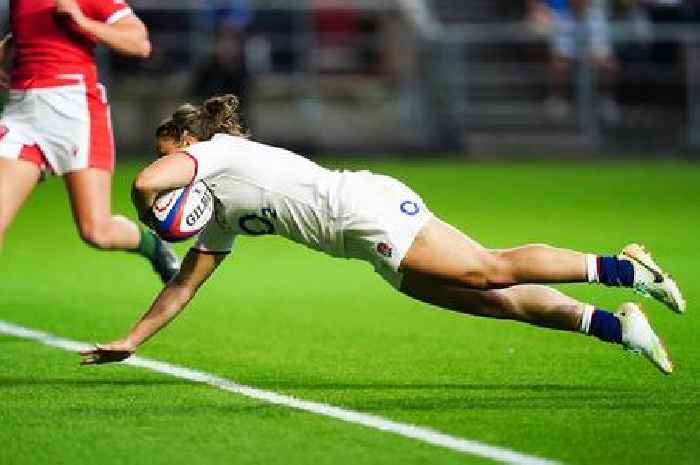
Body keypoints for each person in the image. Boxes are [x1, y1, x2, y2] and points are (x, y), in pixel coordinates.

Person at [80, 94, 686, 374]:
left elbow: (142, 186)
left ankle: (626, 267)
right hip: (362, 241)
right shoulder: (218, 209)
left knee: (488, 268)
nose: (170, 182)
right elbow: (184, 286)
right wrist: (132, 338)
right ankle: (619, 326)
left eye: (169, 159)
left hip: (366, 211)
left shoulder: (212, 153)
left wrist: (151, 208)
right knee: (493, 301)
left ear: (186, 144)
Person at [0, 0, 179, 282]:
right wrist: (8, 50)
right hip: (22, 114)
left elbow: (139, 42)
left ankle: (153, 246)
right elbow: (29, 29)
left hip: (74, 110)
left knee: (97, 231)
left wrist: (82, 21)